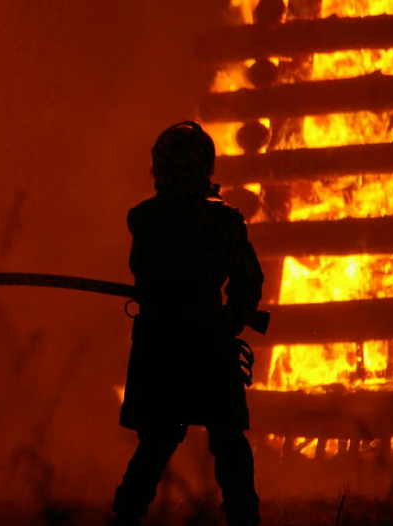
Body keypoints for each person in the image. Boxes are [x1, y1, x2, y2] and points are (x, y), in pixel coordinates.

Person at [113, 122, 264, 526]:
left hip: (162, 345)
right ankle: (244, 520)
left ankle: (125, 517)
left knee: (158, 443)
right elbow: (248, 281)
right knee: (228, 443)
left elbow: (141, 272)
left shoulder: (144, 219)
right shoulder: (224, 220)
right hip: (205, 346)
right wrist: (228, 320)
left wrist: (225, 319)